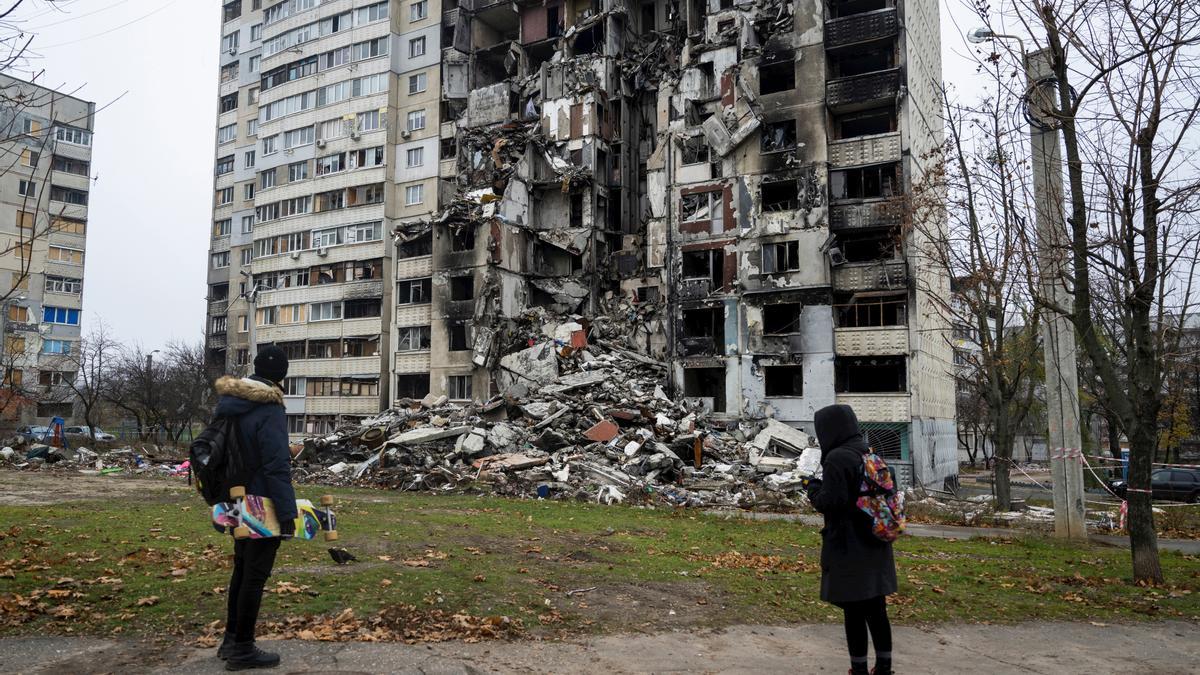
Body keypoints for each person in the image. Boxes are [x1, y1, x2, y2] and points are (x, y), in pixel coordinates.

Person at [213, 346, 296, 671]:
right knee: (255, 576)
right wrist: (287, 513)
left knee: (241, 569)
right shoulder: (269, 408)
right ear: (281, 375)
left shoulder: (231, 404)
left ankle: (231, 640)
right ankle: (243, 649)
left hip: (234, 499)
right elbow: (277, 465)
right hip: (260, 502)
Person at [805, 404, 896, 675]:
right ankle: (883, 667)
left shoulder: (836, 458)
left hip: (848, 545)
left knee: (854, 611)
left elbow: (830, 503)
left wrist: (812, 489)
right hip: (877, 542)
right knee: (877, 610)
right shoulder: (869, 454)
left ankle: (858, 669)